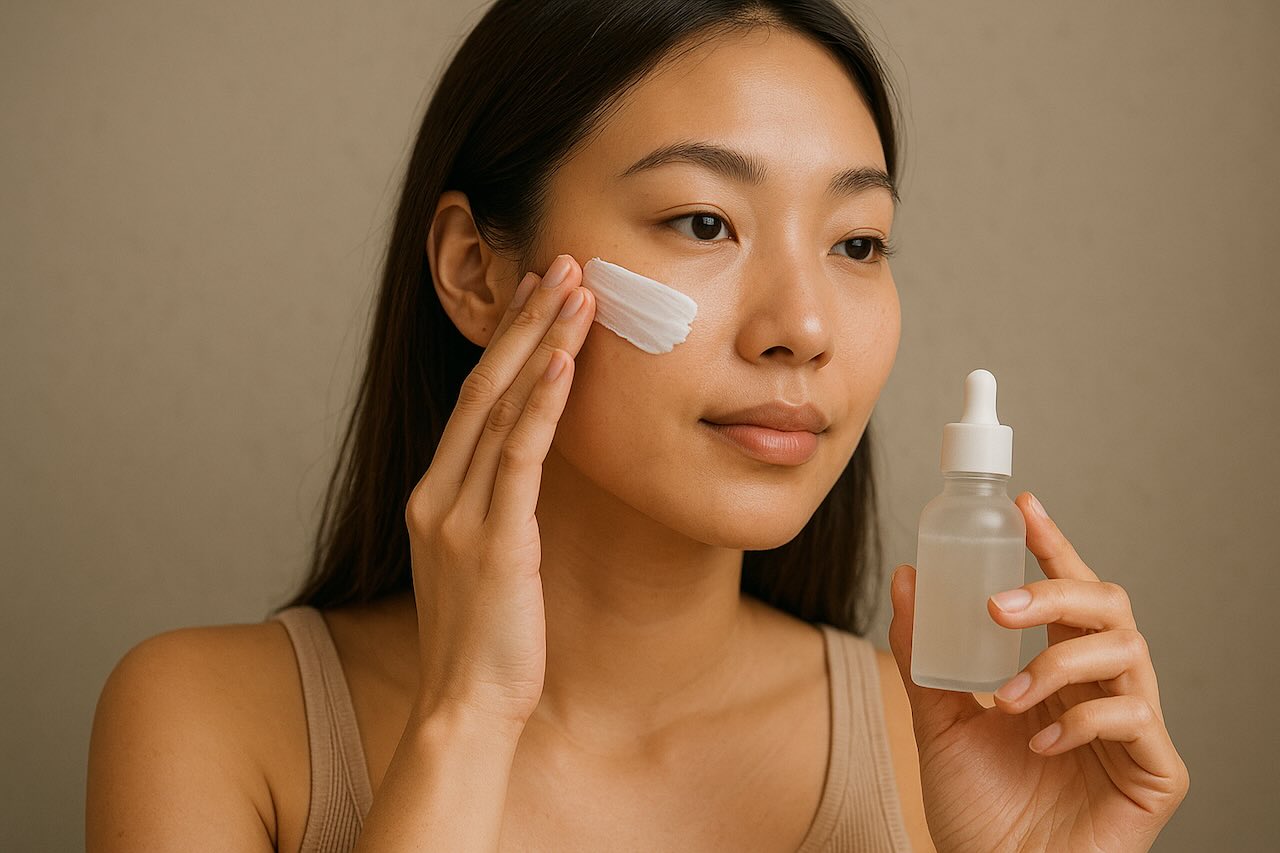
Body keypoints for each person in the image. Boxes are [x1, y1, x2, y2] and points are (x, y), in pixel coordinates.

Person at [86, 1, 1190, 850]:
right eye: (703, 221)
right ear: (476, 268)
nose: (802, 327)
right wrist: (464, 720)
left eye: (855, 243)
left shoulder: (947, 748)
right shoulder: (205, 722)